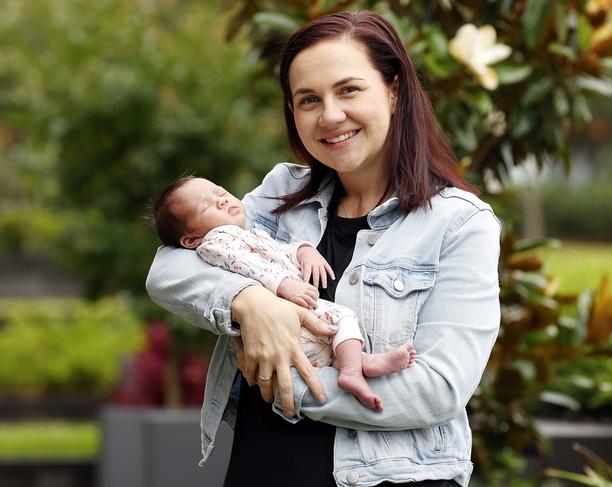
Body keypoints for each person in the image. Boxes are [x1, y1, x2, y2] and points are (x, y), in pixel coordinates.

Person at [146, 10, 501, 487]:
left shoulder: (459, 224)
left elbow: (436, 389)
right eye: (308, 99)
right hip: (262, 469)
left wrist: (283, 383)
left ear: (393, 90)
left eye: (349, 89)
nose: (330, 115)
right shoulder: (279, 195)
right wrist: (250, 304)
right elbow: (169, 269)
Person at [151, 175, 417, 411]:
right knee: (341, 318)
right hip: (287, 324)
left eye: (220, 192)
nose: (221, 201)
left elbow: (277, 251)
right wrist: (279, 286)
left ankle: (354, 366)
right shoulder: (218, 241)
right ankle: (354, 368)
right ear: (190, 240)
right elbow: (248, 265)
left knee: (336, 330)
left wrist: (304, 251)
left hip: (301, 327)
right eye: (207, 205)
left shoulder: (249, 234)